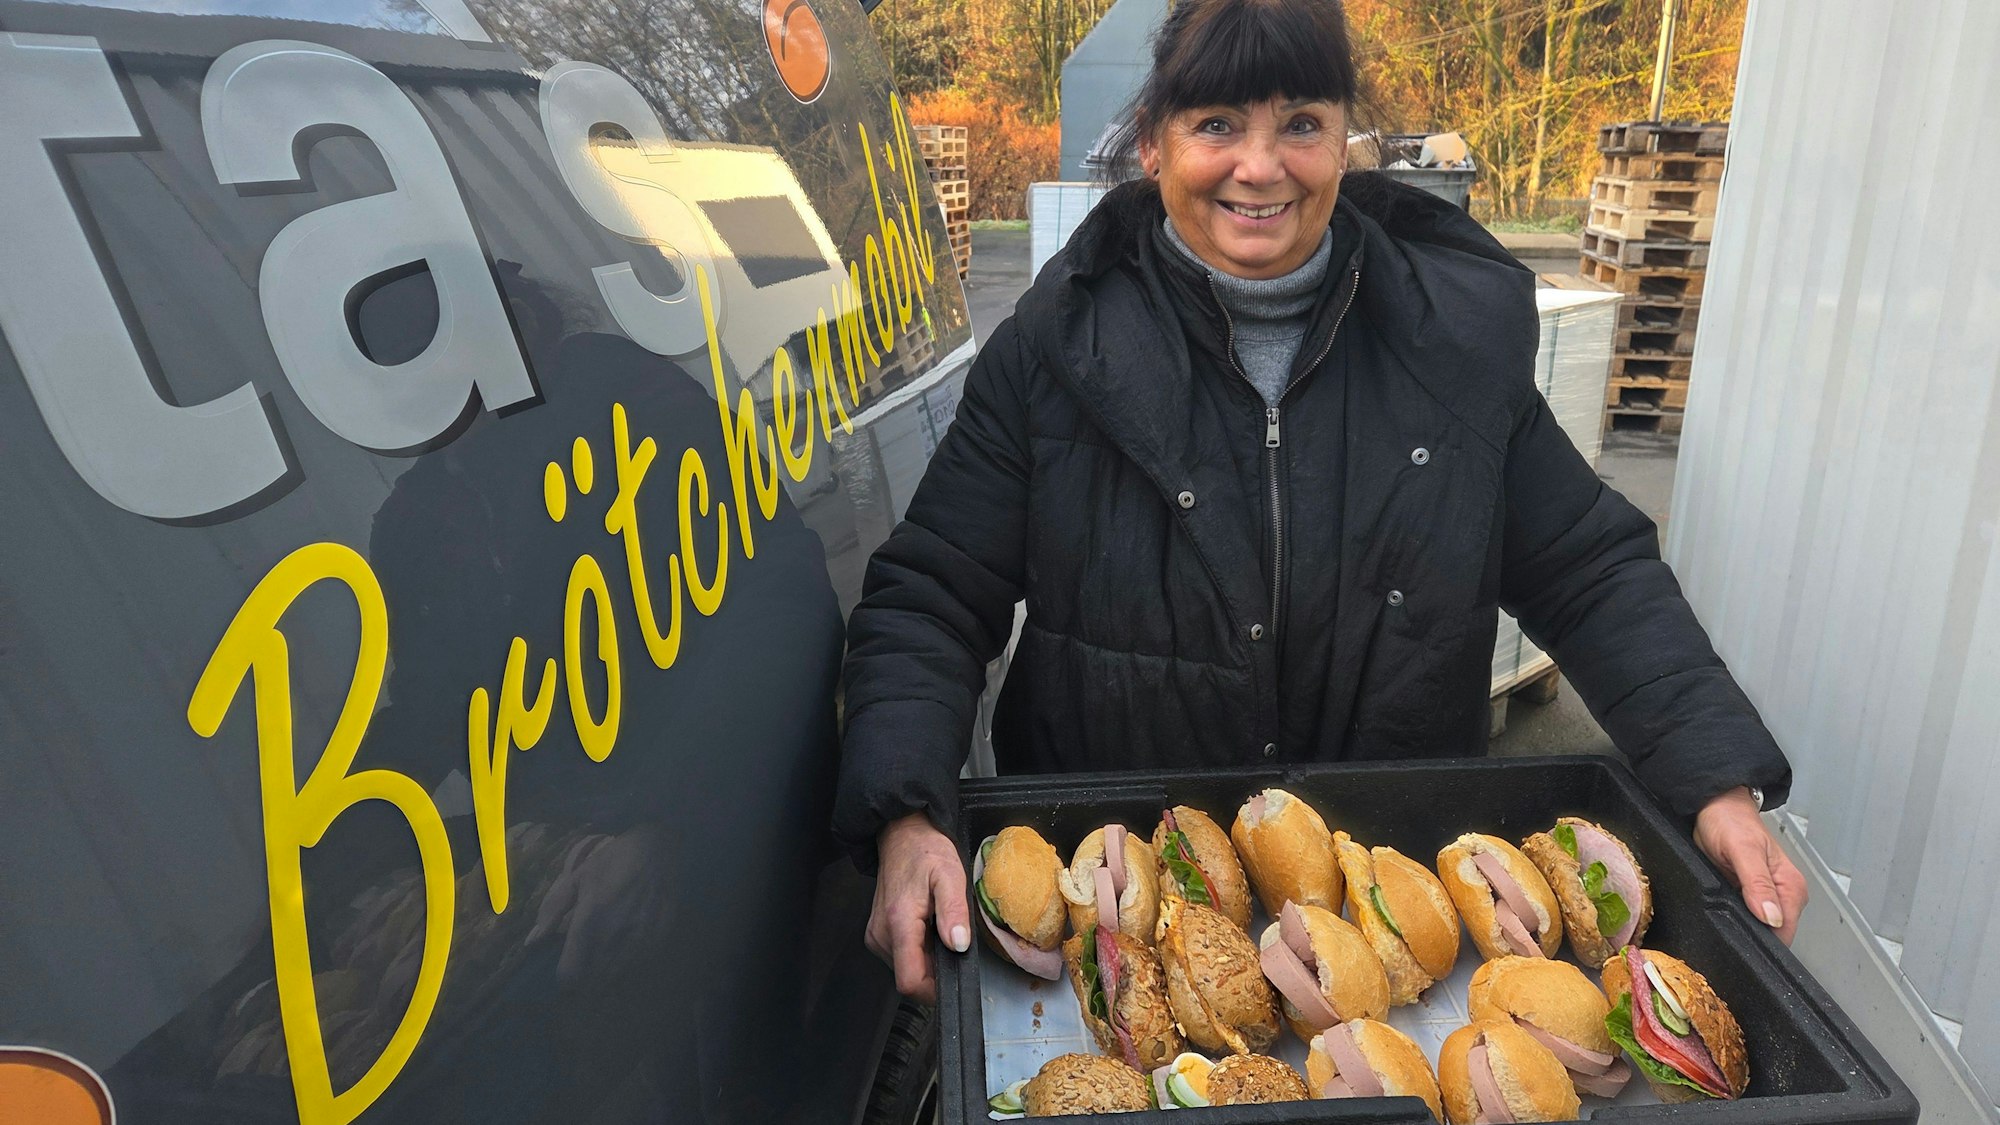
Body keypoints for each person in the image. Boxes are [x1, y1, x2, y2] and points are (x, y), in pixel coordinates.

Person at [835, 0, 1806, 1003]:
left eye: (1300, 123)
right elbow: (932, 596)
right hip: (1113, 904)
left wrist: (1714, 780)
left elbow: (1589, 571)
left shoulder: (1451, 348)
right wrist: (908, 813)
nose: (1259, 167)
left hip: (1387, 901)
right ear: (1152, 142)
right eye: (1216, 124)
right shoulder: (1054, 351)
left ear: (1345, 141)